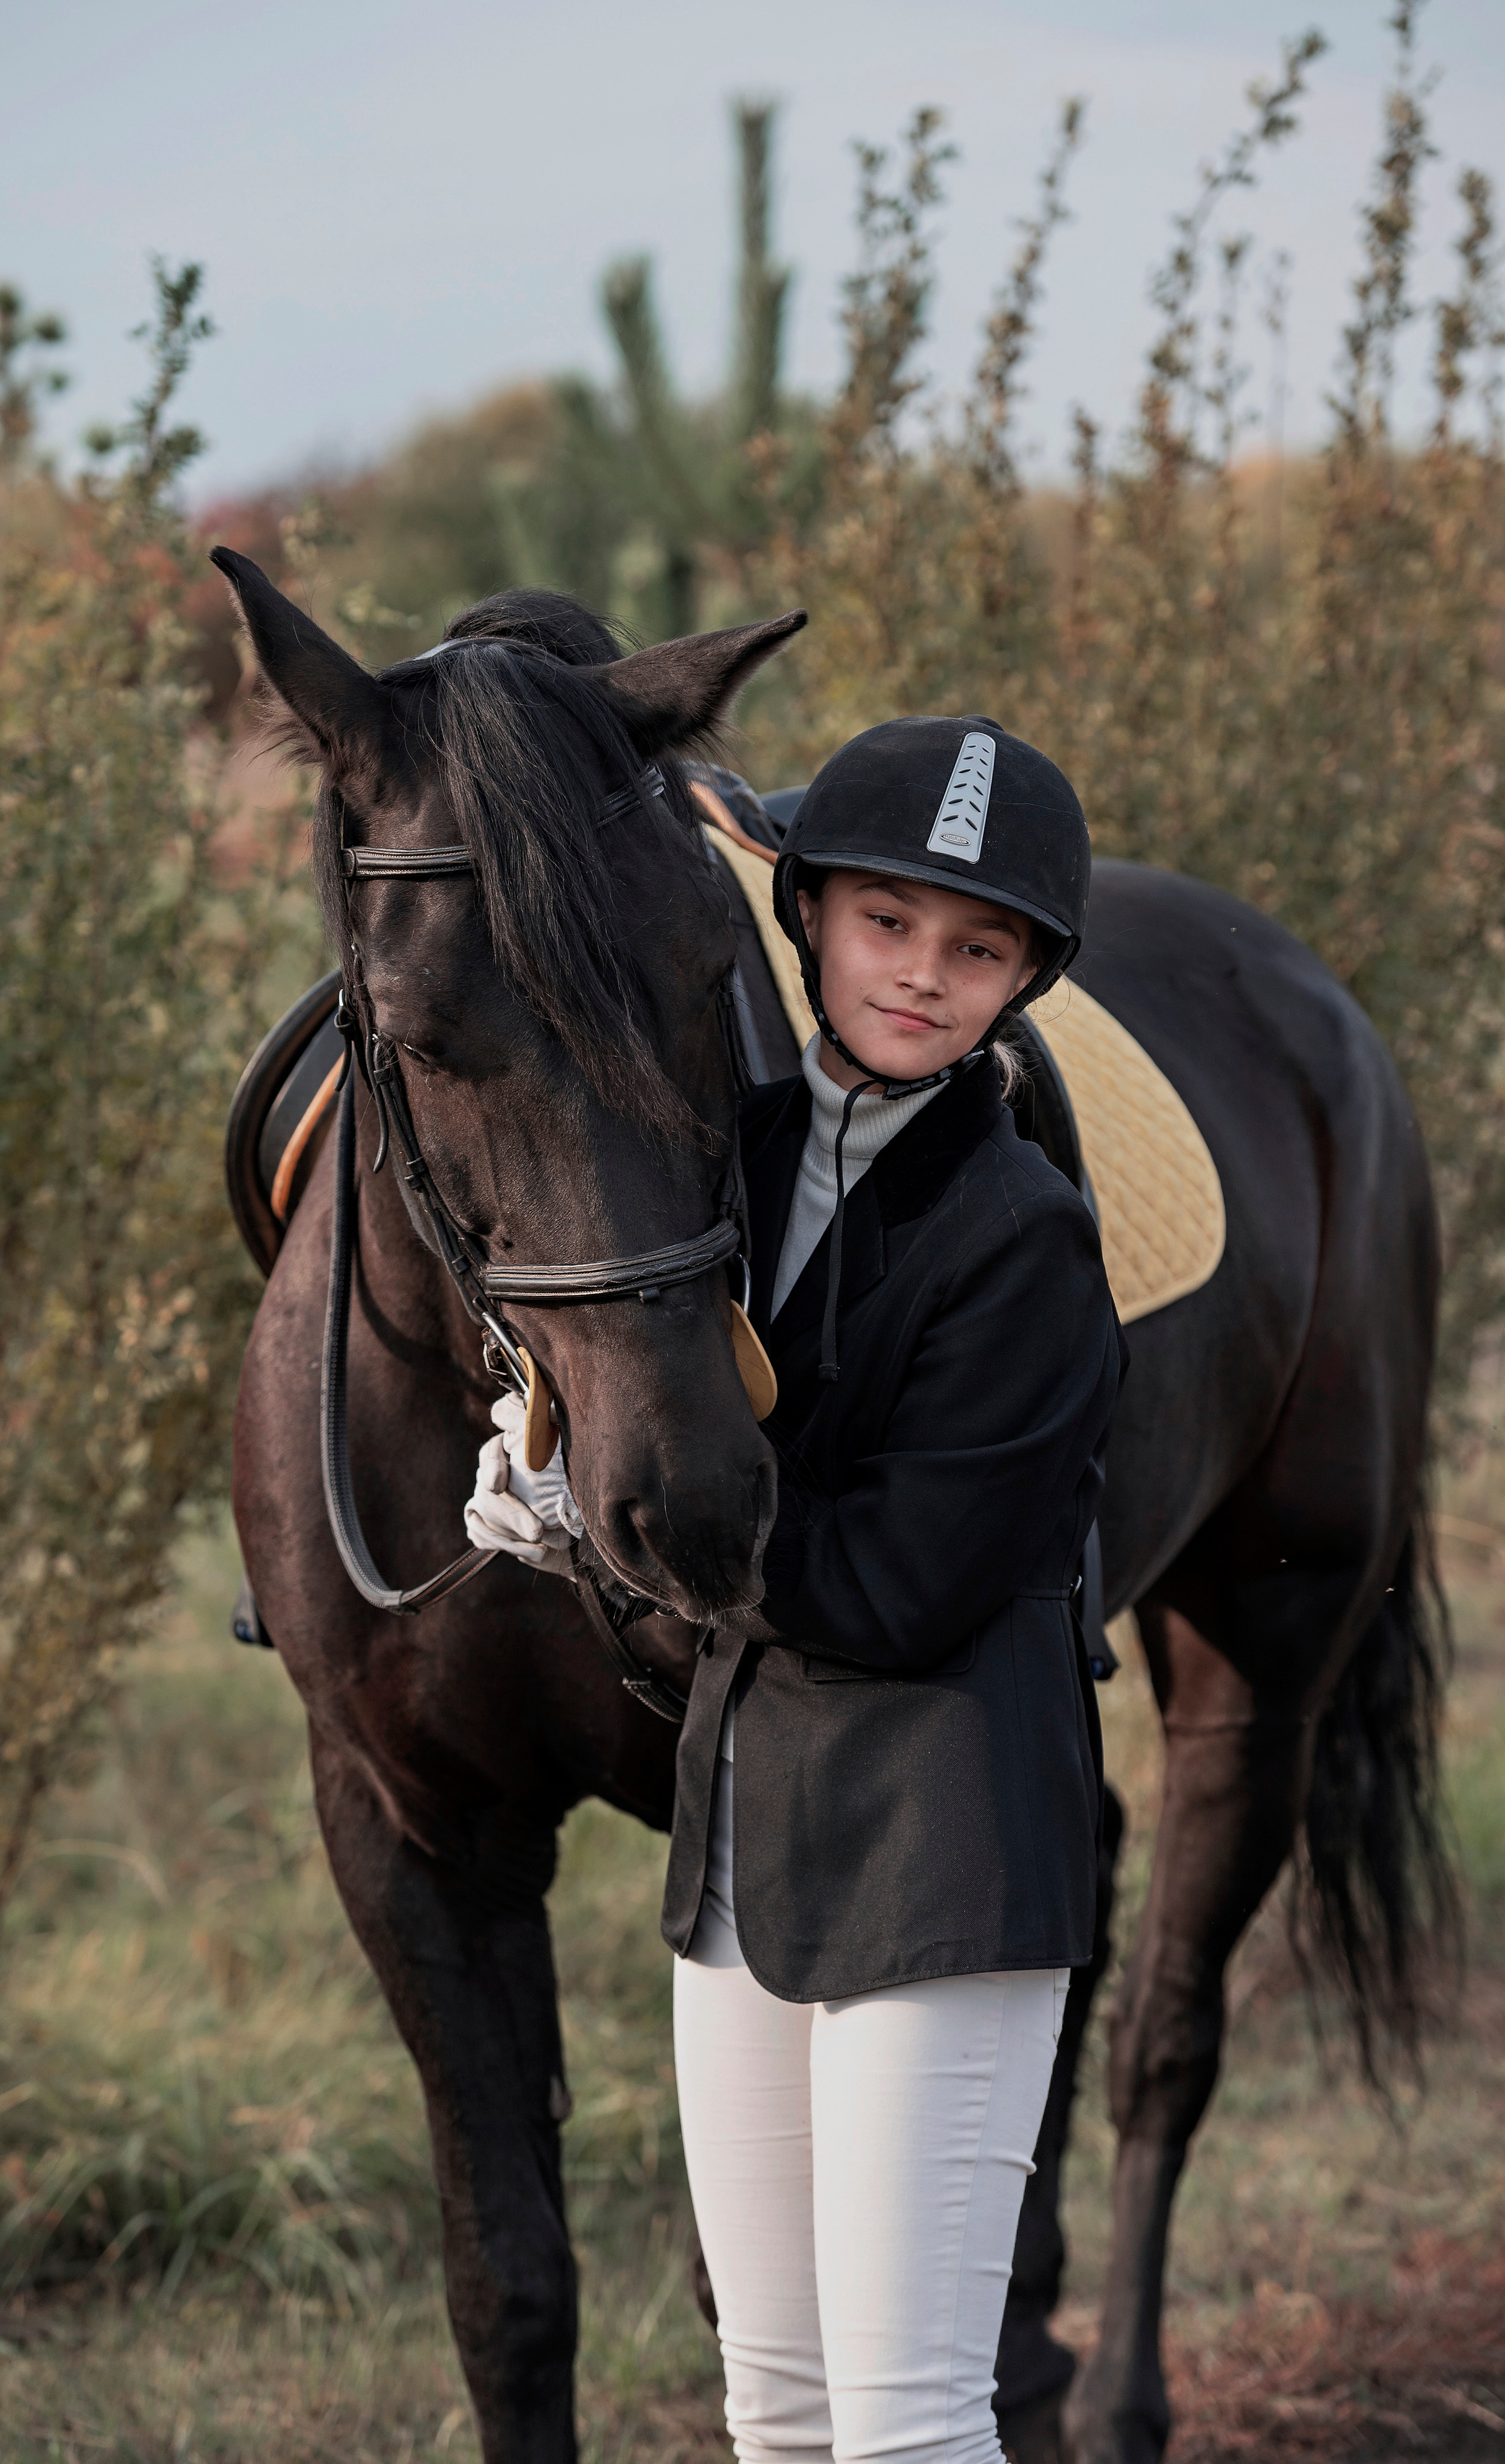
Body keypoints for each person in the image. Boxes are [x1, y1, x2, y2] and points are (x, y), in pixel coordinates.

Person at [468, 715, 1123, 2464]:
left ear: (1024, 980)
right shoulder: (718, 1164)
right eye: (887, 922)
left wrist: (603, 1530)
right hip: (743, 1862)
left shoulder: (1027, 1237)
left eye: (976, 947)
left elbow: (896, 1590)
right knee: (776, 2411)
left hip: (949, 1856)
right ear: (810, 913)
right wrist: (546, 1459)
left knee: (908, 2429)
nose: (920, 974)